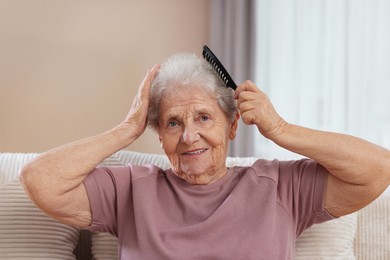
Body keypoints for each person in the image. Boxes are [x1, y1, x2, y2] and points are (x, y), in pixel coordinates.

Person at [20, 53, 390, 259]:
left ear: (232, 126)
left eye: (203, 117)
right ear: (159, 136)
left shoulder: (279, 186)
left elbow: (378, 169)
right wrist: (126, 129)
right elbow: (39, 179)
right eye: (172, 123)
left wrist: (281, 130)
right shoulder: (131, 187)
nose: (189, 136)